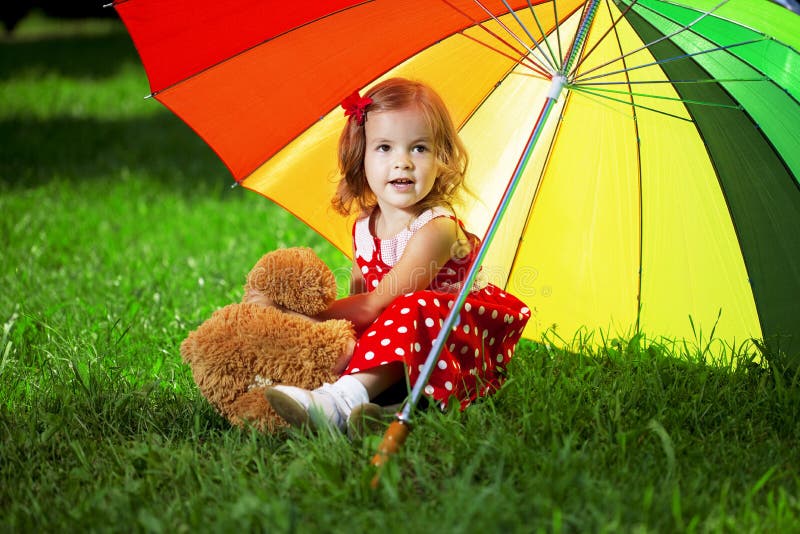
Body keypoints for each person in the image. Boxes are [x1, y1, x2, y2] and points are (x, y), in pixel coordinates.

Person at [265, 77, 530, 433]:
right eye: (385, 147)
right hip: (398, 350)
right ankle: (383, 410)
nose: (402, 162)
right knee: (349, 335)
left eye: (419, 148)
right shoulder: (364, 226)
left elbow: (374, 304)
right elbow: (357, 298)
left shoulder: (437, 229)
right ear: (361, 157)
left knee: (409, 307)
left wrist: (297, 313)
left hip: (450, 348)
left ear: (442, 158)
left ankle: (340, 402)